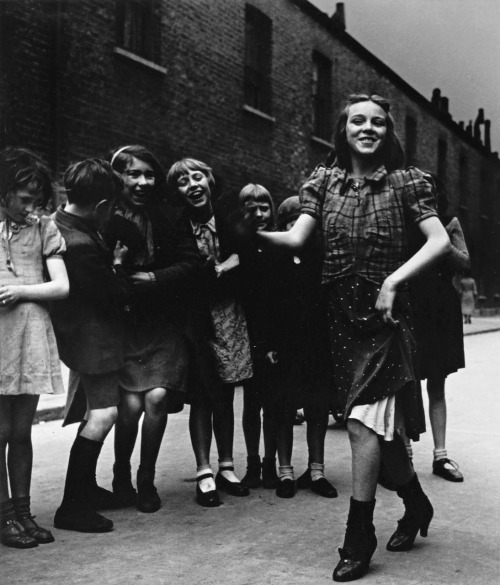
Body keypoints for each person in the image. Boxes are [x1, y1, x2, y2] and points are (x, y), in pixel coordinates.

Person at [253, 94, 451, 581]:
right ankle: (416, 505)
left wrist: (392, 281)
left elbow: (439, 240)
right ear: (343, 130)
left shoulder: (408, 182)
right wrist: (249, 234)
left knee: (363, 424)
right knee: (381, 439)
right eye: (357, 121)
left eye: (378, 122)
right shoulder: (323, 183)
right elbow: (297, 238)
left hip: (386, 319)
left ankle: (358, 536)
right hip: (339, 320)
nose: (368, 128)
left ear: (388, 133)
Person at [106, 145, 200, 512]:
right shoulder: (106, 217)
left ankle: (146, 478)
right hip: (128, 326)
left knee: (157, 397)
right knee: (129, 405)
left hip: (164, 324)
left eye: (149, 174)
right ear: (119, 177)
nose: (143, 182)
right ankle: (120, 474)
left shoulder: (168, 217)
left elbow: (192, 264)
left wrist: (155, 278)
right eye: (134, 174)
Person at [166, 158, 252, 507]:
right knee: (202, 393)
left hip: (230, 313)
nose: (193, 185)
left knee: (227, 392)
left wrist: (227, 265)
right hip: (197, 317)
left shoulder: (229, 218)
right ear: (178, 193)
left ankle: (227, 466)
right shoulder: (178, 227)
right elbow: (183, 274)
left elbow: (249, 253)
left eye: (197, 177)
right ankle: (203, 470)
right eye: (183, 182)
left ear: (210, 181)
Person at [51, 159, 130, 533]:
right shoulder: (81, 244)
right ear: (101, 206)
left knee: (95, 415)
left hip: (83, 333)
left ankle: (84, 489)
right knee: (103, 415)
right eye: (111, 206)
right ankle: (72, 507)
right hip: (93, 337)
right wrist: (116, 265)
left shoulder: (60, 223)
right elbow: (111, 295)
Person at [0, 147, 69, 549]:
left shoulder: (44, 229)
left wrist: (20, 290)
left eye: (36, 200)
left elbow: (61, 286)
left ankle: (24, 513)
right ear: (4, 192)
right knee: (1, 430)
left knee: (21, 431)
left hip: (28, 333)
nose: (31, 207)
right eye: (24, 198)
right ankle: (5, 515)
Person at [276, 195, 338, 499]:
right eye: (292, 224)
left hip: (317, 345)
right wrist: (268, 344)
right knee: (285, 410)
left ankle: (316, 471)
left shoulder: (321, 261)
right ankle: (285, 472)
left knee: (317, 409)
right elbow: (267, 307)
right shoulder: (276, 260)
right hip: (286, 346)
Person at [408, 174, 468, 482]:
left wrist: (441, 240)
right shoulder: (406, 223)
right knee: (406, 383)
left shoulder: (448, 222)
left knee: (436, 383)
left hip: (440, 309)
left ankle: (440, 457)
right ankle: (403, 458)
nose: (425, 198)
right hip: (411, 307)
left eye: (430, 193)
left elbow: (464, 262)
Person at [237, 184, 294, 497]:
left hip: (273, 337)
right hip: (247, 336)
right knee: (250, 405)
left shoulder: (279, 245)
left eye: (264, 208)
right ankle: (253, 463)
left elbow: (282, 299)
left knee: (272, 405)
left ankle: (271, 462)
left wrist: (274, 343)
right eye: (251, 208)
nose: (258, 214)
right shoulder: (239, 246)